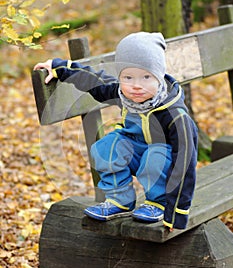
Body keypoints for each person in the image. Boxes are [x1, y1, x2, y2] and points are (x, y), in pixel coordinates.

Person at [34, 32, 198, 230]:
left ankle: (157, 203)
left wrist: (177, 212)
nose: (136, 85)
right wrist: (60, 67)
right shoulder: (122, 94)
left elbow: (185, 160)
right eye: (128, 77)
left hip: (163, 164)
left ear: (159, 76)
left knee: (155, 154)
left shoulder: (175, 114)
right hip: (136, 155)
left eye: (146, 77)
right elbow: (94, 81)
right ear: (120, 77)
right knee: (107, 146)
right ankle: (120, 200)